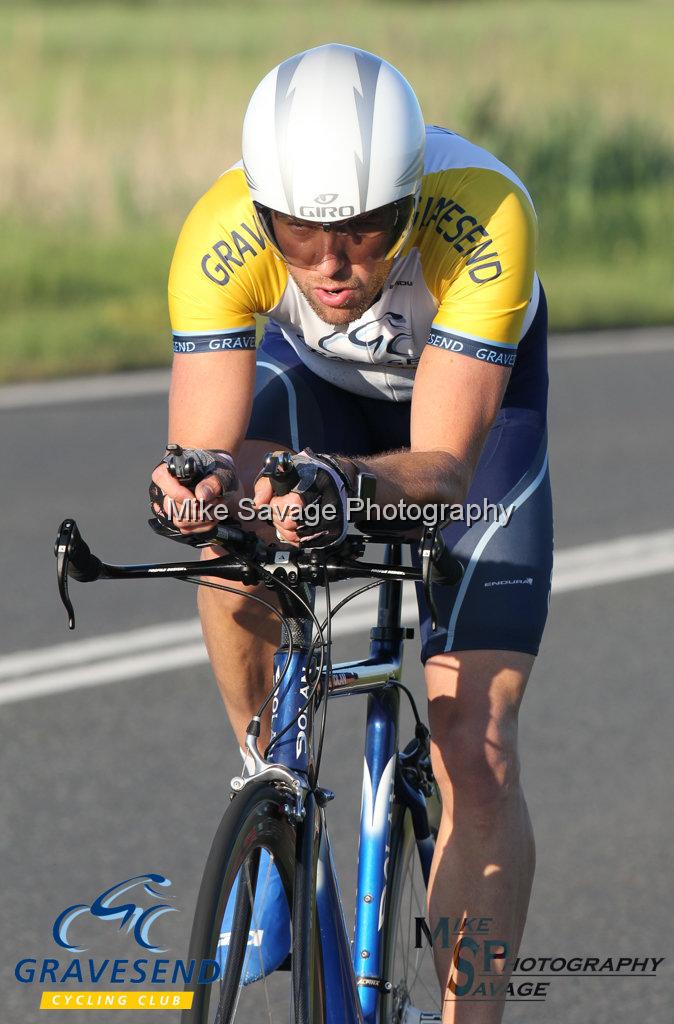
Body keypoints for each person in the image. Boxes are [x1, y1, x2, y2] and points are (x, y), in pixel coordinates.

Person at [150, 43, 553, 1022]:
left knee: (475, 742)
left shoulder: (485, 215)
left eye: (369, 231)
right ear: (261, 214)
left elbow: (441, 472)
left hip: (468, 419)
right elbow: (206, 454)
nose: (333, 265)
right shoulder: (216, 234)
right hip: (317, 397)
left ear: (409, 202)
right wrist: (195, 491)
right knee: (223, 532)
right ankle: (270, 784)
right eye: (299, 233)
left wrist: (337, 483)